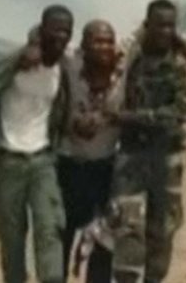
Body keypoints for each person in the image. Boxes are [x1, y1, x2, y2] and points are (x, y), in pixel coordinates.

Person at [0, 5, 74, 283]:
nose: (60, 37)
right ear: (42, 28)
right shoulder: (14, 64)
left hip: (43, 160)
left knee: (49, 229)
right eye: (55, 29)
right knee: (11, 236)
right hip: (9, 160)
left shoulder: (64, 70)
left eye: (66, 32)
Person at [106, 0, 186, 283]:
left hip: (166, 158)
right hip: (131, 155)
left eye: (171, 26)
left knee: (162, 230)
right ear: (147, 25)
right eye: (159, 25)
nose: (166, 31)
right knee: (127, 228)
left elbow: (184, 112)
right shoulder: (131, 54)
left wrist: (132, 117)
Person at [55, 20, 125, 282]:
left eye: (108, 41)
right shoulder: (70, 67)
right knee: (61, 235)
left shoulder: (124, 74)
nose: (104, 47)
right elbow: (41, 35)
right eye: (97, 41)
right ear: (83, 46)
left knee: (103, 244)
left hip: (104, 169)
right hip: (68, 167)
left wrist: (111, 118)